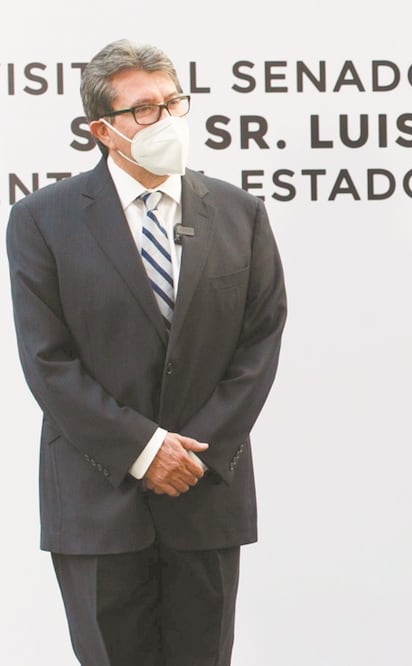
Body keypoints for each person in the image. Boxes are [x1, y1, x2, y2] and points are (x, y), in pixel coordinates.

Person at [6, 39, 287, 665]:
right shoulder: (42, 220)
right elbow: (48, 361)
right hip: (98, 503)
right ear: (102, 130)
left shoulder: (239, 214)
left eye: (173, 102)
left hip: (204, 493)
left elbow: (260, 341)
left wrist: (191, 453)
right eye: (144, 109)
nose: (166, 120)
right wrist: (143, 449)